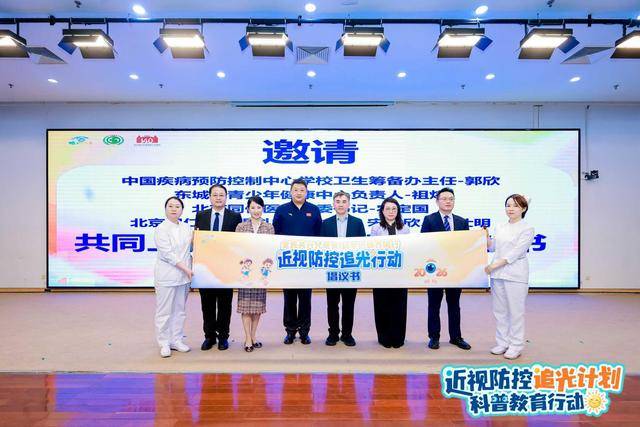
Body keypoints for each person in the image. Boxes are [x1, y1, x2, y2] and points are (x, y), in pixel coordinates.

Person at [420, 187, 472, 351]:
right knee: (434, 304)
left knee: (454, 304)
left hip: (455, 270)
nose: (448, 201)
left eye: (451, 198)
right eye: (444, 199)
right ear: (437, 201)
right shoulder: (429, 220)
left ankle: (456, 337)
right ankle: (434, 337)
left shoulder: (462, 221)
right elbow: (423, 244)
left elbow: (467, 246)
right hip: (435, 270)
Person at [484, 194, 535, 360]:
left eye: (515, 206)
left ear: (523, 208)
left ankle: (516, 345)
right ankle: (503, 342)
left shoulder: (527, 228)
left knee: (515, 311)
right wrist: (486, 238)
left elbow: (515, 253)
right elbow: (493, 248)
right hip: (498, 274)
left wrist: (493, 266)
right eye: (508, 205)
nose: (510, 209)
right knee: (499, 310)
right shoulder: (500, 226)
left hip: (515, 273)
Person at [273, 178, 322, 345]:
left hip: (307, 263)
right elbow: (275, 235)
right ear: (290, 192)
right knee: (289, 298)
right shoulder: (282, 210)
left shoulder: (314, 210)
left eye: (302, 190)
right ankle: (290, 331)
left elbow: (319, 235)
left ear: (307, 192)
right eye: (296, 190)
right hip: (288, 262)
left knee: (305, 299)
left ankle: (304, 331)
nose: (299, 193)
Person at [194, 184, 242, 351]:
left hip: (226, 269)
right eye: (215, 195)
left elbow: (237, 243)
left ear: (226, 197)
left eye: (221, 195)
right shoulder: (201, 215)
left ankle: (223, 337)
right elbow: (198, 241)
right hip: (205, 268)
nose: (218, 198)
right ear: (210, 197)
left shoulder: (234, 216)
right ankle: (209, 337)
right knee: (207, 304)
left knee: (224, 304)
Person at [321, 191, 366, 347]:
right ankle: (333, 334)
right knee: (332, 304)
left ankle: (347, 334)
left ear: (349, 204)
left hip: (350, 270)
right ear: (333, 205)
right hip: (332, 271)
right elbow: (320, 247)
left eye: (344, 201)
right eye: (338, 201)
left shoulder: (357, 222)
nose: (341, 204)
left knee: (348, 304)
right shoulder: (326, 223)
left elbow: (363, 246)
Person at [153, 196, 193, 358]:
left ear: (182, 210)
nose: (174, 209)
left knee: (179, 310)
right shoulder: (161, 229)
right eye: (170, 206)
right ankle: (164, 342)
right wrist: (186, 268)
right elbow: (167, 254)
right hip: (167, 276)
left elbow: (192, 247)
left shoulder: (186, 228)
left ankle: (176, 340)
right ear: (165, 209)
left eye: (177, 206)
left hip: (183, 277)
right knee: (164, 311)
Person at [235, 196, 275, 352]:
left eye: (259, 207)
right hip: (245, 272)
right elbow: (237, 248)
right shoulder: (241, 227)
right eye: (253, 207)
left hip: (261, 273)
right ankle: (247, 339)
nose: (256, 210)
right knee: (245, 307)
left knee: (257, 307)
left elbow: (271, 249)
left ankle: (253, 336)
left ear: (263, 209)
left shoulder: (269, 227)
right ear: (248, 209)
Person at [370, 197, 410, 348]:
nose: (391, 211)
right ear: (382, 211)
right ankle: (384, 337)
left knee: (399, 306)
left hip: (400, 274)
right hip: (381, 274)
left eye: (394, 209)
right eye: (387, 209)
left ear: (398, 211)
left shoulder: (405, 229)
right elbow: (372, 250)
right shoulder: (376, 228)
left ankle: (398, 338)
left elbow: (408, 250)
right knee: (382, 305)